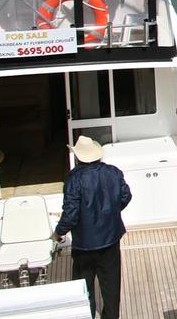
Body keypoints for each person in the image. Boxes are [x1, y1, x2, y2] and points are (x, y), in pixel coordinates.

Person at [53, 135, 132, 319]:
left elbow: (70, 215)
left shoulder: (73, 179)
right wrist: (111, 212)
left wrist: (58, 233)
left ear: (78, 157)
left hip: (84, 246)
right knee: (111, 288)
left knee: (83, 290)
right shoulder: (113, 172)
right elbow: (126, 196)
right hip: (110, 241)